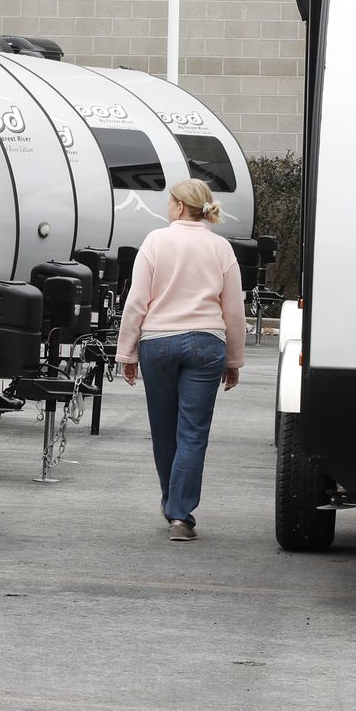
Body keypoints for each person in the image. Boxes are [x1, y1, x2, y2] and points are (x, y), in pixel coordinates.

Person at [115, 179, 247, 542]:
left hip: (158, 342)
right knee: (193, 432)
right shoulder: (221, 247)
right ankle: (180, 515)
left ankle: (171, 502)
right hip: (206, 344)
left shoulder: (156, 241)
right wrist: (233, 359)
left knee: (164, 428)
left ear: (176, 206)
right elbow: (234, 309)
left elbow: (136, 300)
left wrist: (126, 352)